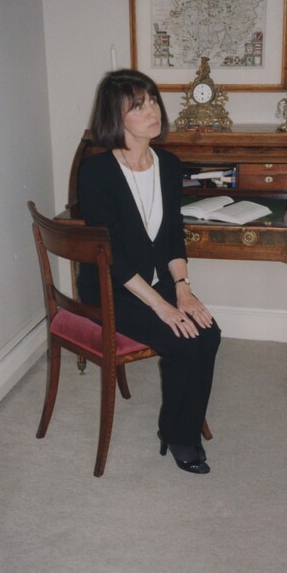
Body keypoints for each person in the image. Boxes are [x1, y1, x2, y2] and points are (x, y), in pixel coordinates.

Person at [77, 69, 221, 474]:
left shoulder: (169, 165)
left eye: (153, 100)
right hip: (111, 287)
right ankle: (179, 436)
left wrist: (183, 290)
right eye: (138, 106)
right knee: (181, 340)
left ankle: (182, 425)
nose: (152, 111)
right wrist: (163, 307)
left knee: (208, 334)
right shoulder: (96, 172)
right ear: (115, 116)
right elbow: (114, 257)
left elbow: (173, 235)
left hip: (156, 281)